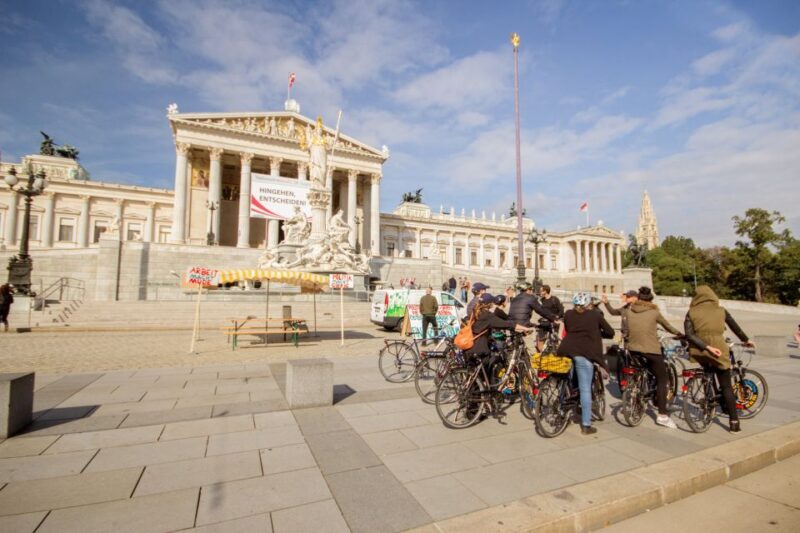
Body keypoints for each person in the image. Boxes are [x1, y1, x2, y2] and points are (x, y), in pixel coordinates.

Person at [683, 285, 754, 433]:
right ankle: (734, 422)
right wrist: (746, 340)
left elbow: (689, 334)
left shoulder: (691, 312)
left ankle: (708, 406)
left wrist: (705, 347)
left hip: (699, 349)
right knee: (726, 386)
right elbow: (735, 327)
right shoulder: (721, 310)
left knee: (707, 373)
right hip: (718, 348)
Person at [557, 292, 615, 435]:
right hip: (584, 353)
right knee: (585, 389)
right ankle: (586, 425)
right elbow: (610, 332)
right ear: (589, 303)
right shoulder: (595, 315)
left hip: (566, 350)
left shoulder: (568, 314)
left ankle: (565, 401)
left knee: (569, 379)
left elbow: (571, 329)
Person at [626, 287, 682, 429]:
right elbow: (668, 326)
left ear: (638, 299)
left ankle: (639, 387)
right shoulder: (654, 312)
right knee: (662, 379)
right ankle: (662, 415)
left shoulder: (629, 311)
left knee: (643, 369)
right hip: (650, 349)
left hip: (633, 349)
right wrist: (680, 334)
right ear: (651, 300)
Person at [466, 293, 534, 380]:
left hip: (469, 346)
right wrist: (525, 328)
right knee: (491, 362)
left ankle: (475, 387)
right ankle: (485, 387)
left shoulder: (475, 311)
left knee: (475, 375)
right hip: (479, 347)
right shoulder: (487, 316)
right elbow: (507, 324)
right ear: (490, 304)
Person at [538, 284, 564, 350]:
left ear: (545, 291)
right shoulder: (541, 300)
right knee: (540, 340)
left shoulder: (554, 299)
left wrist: (557, 317)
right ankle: (541, 354)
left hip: (554, 322)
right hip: (545, 322)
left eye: (541, 291)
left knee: (555, 340)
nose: (540, 292)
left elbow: (561, 310)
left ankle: (557, 354)